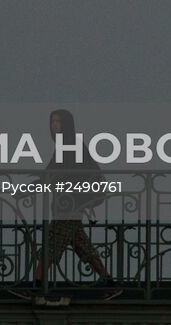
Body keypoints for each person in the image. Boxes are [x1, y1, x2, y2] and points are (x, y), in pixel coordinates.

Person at [34, 109, 115, 286]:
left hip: (69, 204)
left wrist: (30, 188)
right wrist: (29, 187)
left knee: (52, 244)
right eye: (52, 121)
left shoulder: (70, 144)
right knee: (80, 243)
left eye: (58, 121)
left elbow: (56, 174)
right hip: (71, 203)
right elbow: (50, 174)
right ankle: (108, 280)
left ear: (66, 124)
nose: (54, 125)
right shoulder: (66, 144)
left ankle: (37, 284)